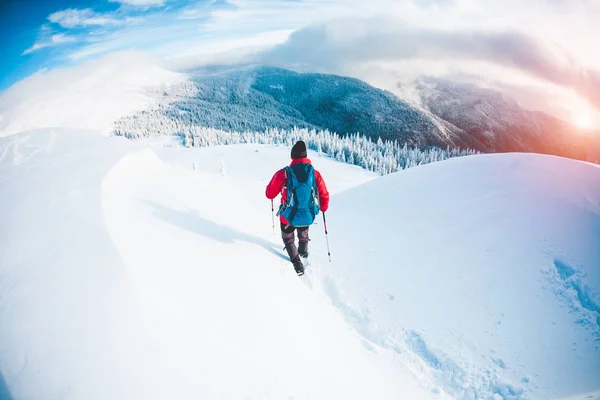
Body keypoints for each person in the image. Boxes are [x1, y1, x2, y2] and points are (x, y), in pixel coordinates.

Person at [265, 140, 329, 275]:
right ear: (306, 156)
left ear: (292, 157)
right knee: (303, 233)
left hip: (288, 216)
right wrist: (323, 207)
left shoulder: (284, 173)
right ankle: (303, 253)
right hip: (307, 214)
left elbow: (269, 193)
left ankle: (297, 264)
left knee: (288, 239)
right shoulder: (314, 174)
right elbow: (324, 194)